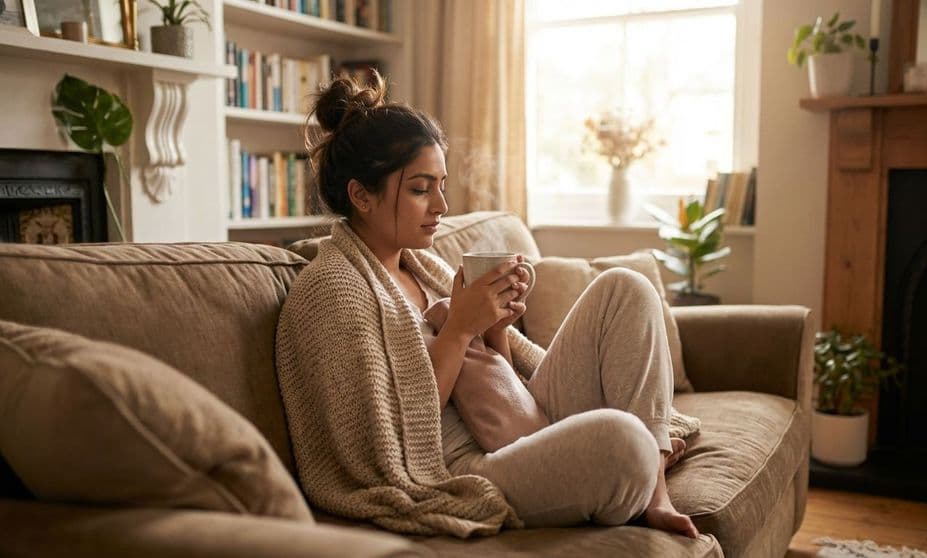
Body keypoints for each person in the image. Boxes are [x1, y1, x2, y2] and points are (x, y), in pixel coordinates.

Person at [275, 72, 700, 540]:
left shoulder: (425, 266)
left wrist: (495, 327)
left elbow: (498, 380)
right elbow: (390, 437)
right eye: (420, 189)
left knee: (626, 287)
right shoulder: (332, 291)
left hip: (521, 422)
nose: (441, 205)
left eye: (442, 184)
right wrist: (459, 329)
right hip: (466, 465)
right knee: (625, 441)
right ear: (361, 195)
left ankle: (653, 490)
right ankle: (639, 461)